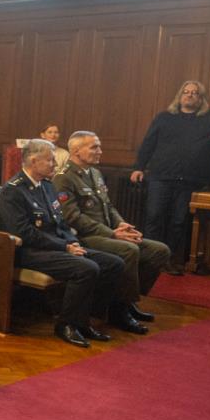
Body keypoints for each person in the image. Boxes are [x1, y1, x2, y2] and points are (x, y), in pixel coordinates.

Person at [0, 140, 130, 347]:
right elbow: (24, 232)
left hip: (58, 245)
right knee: (87, 268)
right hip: (31, 251)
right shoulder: (13, 190)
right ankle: (66, 324)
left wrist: (73, 242)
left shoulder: (48, 186)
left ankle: (86, 319)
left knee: (114, 263)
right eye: (50, 160)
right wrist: (64, 247)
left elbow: (61, 222)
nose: (54, 165)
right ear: (34, 161)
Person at [55, 131, 169, 327]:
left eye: (99, 146)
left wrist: (121, 224)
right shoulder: (64, 178)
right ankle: (118, 310)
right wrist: (112, 233)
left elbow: (108, 206)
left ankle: (126, 301)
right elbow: (72, 217)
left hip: (109, 232)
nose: (100, 151)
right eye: (94, 147)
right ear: (75, 150)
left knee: (159, 251)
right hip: (85, 237)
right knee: (129, 250)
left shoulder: (95, 173)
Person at [130, 81, 210, 273]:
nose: (189, 95)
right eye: (186, 92)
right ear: (179, 95)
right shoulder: (164, 117)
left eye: (194, 93)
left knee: (179, 221)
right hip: (160, 176)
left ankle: (170, 260)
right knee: (154, 217)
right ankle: (150, 258)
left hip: (190, 179)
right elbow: (148, 143)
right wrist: (139, 167)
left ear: (201, 98)